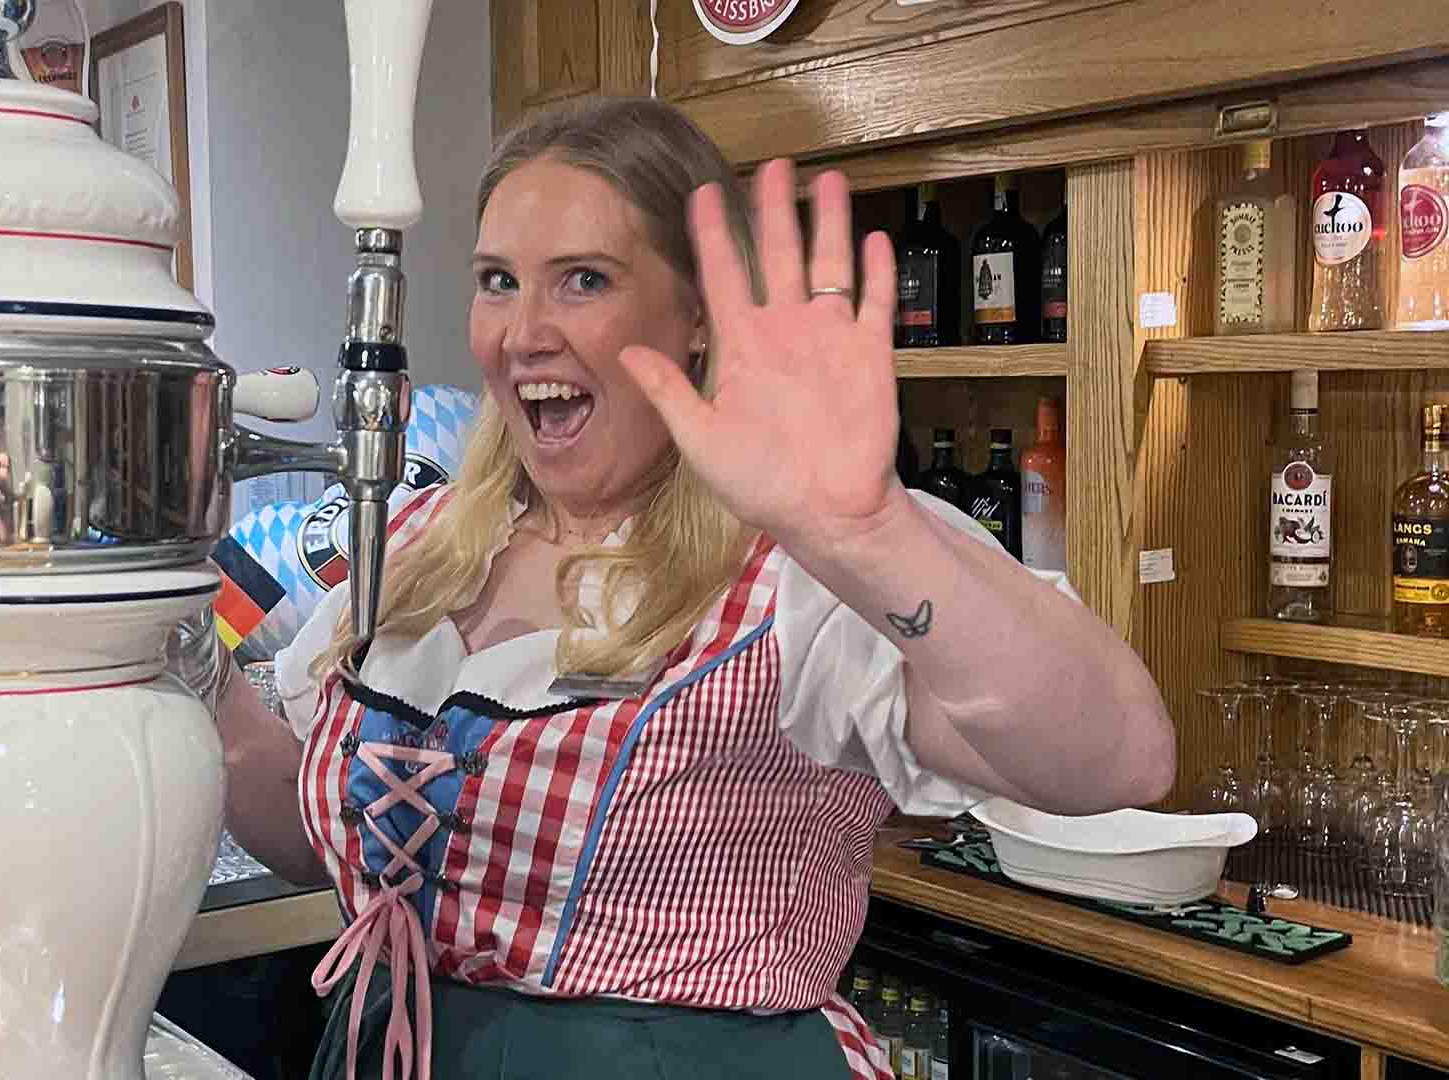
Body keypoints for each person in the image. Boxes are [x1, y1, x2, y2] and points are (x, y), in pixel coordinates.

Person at [203, 96, 1174, 1080]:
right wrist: (196, 664)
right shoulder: (419, 543)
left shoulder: (791, 577)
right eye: (499, 281)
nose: (523, 332)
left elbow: (1117, 762)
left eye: (584, 279)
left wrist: (872, 536)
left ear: (699, 316)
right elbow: (318, 841)